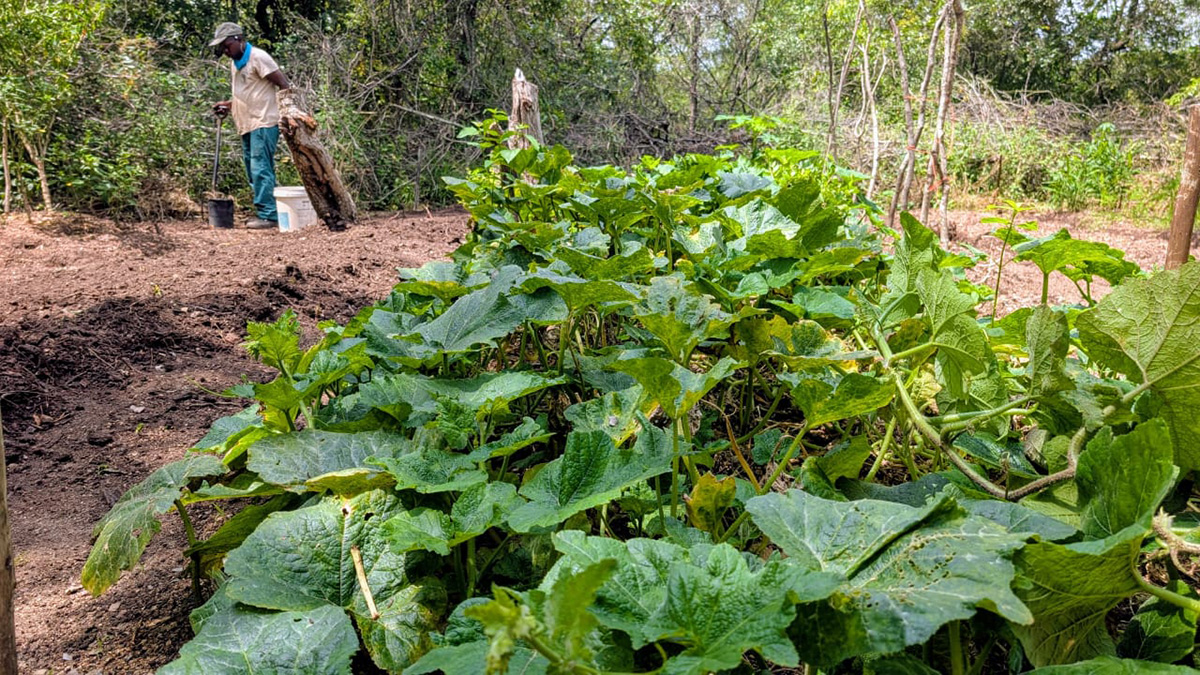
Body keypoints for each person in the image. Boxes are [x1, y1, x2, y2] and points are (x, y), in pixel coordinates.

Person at [209, 22, 291, 229]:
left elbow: (283, 84)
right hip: (246, 123)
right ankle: (269, 210)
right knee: (253, 169)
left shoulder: (259, 57)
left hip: (263, 121)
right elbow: (249, 93)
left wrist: (287, 112)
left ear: (238, 39)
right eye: (222, 48)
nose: (225, 51)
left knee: (260, 167)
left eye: (227, 46)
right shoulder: (235, 63)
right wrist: (228, 105)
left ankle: (269, 215)